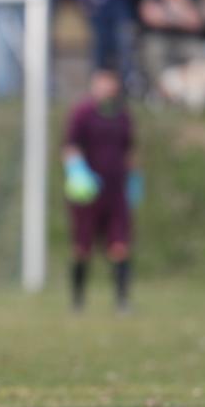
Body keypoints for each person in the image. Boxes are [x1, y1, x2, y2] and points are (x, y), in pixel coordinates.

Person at [63, 68, 141, 313]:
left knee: (120, 245)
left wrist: (135, 179)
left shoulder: (122, 115)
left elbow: (130, 150)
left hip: (116, 191)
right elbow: (70, 146)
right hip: (88, 193)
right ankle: (77, 302)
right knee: (82, 247)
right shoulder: (82, 113)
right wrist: (77, 172)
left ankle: (122, 302)